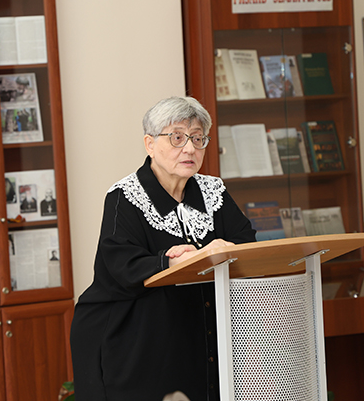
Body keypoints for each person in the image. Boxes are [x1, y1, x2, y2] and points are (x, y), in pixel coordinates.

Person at [70, 96, 255, 401]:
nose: (190, 148)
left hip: (194, 329)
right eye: (177, 137)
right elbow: (122, 263)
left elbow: (246, 243)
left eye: (198, 138)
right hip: (130, 333)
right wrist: (169, 263)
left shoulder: (213, 191)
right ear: (150, 144)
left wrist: (223, 249)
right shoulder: (124, 196)